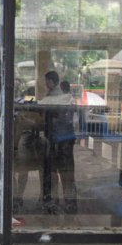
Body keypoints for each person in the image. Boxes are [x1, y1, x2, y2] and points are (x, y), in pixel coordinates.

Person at [38, 71, 78, 214]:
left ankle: (53, 203)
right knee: (66, 174)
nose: (45, 84)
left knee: (55, 173)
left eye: (46, 81)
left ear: (50, 82)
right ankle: (70, 204)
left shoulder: (55, 98)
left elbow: (49, 116)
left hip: (59, 139)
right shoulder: (67, 97)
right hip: (66, 138)